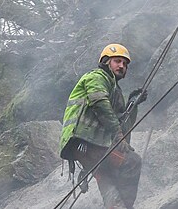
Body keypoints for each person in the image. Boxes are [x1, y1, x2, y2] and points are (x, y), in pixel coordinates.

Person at [59, 43, 147, 209]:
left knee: (110, 181)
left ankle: (116, 205)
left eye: (125, 64)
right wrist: (118, 135)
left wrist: (132, 105)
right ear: (106, 62)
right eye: (118, 61)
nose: (122, 66)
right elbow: (99, 104)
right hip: (86, 141)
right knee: (132, 162)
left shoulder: (115, 91)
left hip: (88, 146)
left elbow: (122, 123)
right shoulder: (97, 77)